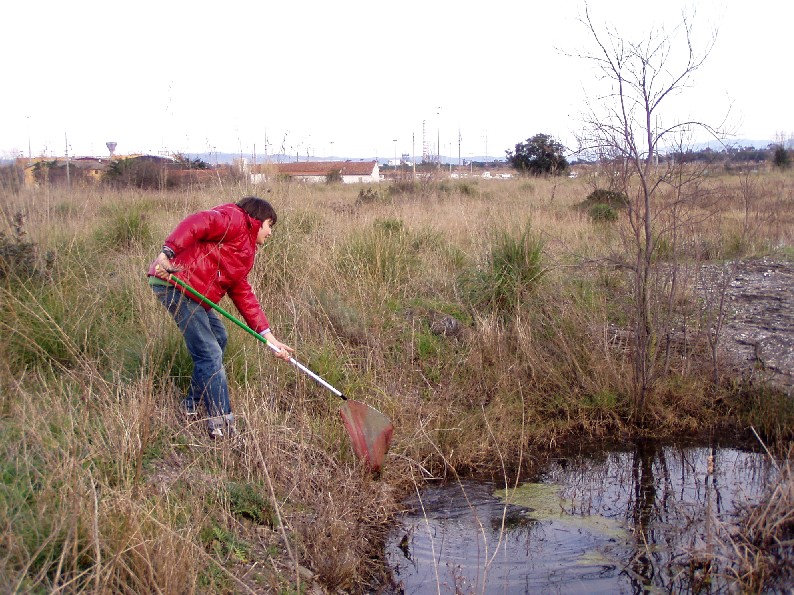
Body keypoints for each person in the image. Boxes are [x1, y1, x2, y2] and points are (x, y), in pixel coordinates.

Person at [147, 196, 293, 439]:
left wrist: (269, 338)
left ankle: (191, 405)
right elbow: (198, 221)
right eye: (269, 225)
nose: (270, 232)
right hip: (173, 283)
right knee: (210, 353)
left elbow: (243, 294)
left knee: (219, 338)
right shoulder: (234, 219)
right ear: (257, 220)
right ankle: (222, 423)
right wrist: (168, 252)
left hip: (194, 294)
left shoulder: (245, 252)